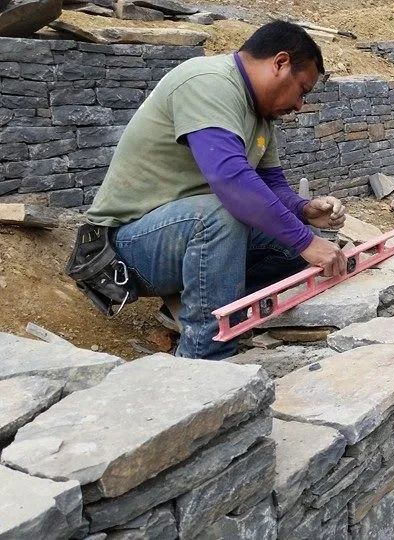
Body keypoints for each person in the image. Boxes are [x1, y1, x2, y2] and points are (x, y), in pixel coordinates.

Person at [80, 21, 347, 360]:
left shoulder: (262, 113)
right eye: (302, 90)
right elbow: (230, 179)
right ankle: (204, 360)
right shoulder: (207, 82)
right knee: (225, 215)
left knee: (290, 246)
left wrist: (303, 210)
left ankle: (195, 309)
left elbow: (271, 185)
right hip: (126, 246)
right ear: (280, 63)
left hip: (187, 235)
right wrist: (307, 241)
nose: (300, 105)